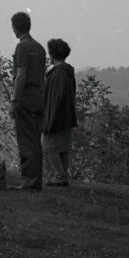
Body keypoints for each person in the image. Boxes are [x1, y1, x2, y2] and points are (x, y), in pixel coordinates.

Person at [9, 11, 46, 191]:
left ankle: (29, 181)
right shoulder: (40, 48)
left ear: (15, 28)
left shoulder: (22, 48)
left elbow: (21, 75)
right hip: (39, 98)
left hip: (25, 98)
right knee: (35, 140)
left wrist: (15, 99)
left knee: (26, 141)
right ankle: (35, 179)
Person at [42, 38, 78, 186]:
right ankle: (61, 177)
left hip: (56, 117)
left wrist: (50, 120)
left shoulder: (58, 73)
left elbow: (55, 99)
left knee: (49, 146)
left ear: (52, 54)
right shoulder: (67, 72)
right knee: (62, 147)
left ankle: (60, 175)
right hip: (67, 117)